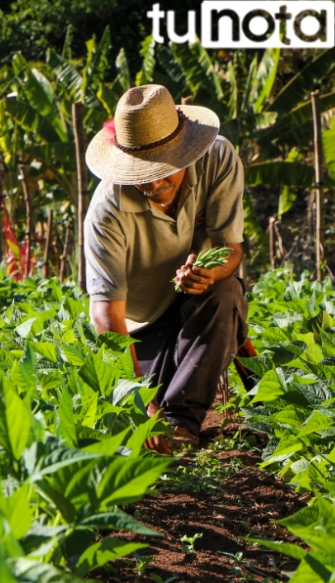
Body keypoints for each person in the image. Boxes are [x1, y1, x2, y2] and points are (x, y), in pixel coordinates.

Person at [83, 84, 248, 455]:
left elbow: (231, 250)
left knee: (225, 292)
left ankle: (183, 424)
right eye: (142, 174)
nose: (154, 184)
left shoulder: (218, 159)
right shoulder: (106, 211)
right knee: (146, 405)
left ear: (186, 153)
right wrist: (144, 406)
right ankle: (165, 409)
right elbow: (106, 315)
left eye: (163, 170)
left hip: (197, 306)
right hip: (143, 328)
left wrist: (211, 271)